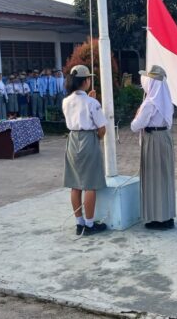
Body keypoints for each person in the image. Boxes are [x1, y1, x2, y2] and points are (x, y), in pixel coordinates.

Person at [62, 65, 108, 236]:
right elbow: (102, 128)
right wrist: (97, 139)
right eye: (89, 78)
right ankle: (89, 225)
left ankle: (79, 223)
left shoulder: (66, 101)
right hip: (88, 138)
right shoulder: (92, 102)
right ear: (85, 81)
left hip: (72, 138)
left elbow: (78, 110)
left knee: (75, 184)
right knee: (90, 184)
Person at [130, 65, 175, 230]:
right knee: (164, 178)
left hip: (153, 141)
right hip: (165, 138)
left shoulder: (149, 103)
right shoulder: (166, 99)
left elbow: (135, 126)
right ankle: (167, 216)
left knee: (153, 179)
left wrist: (136, 115)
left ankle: (157, 218)